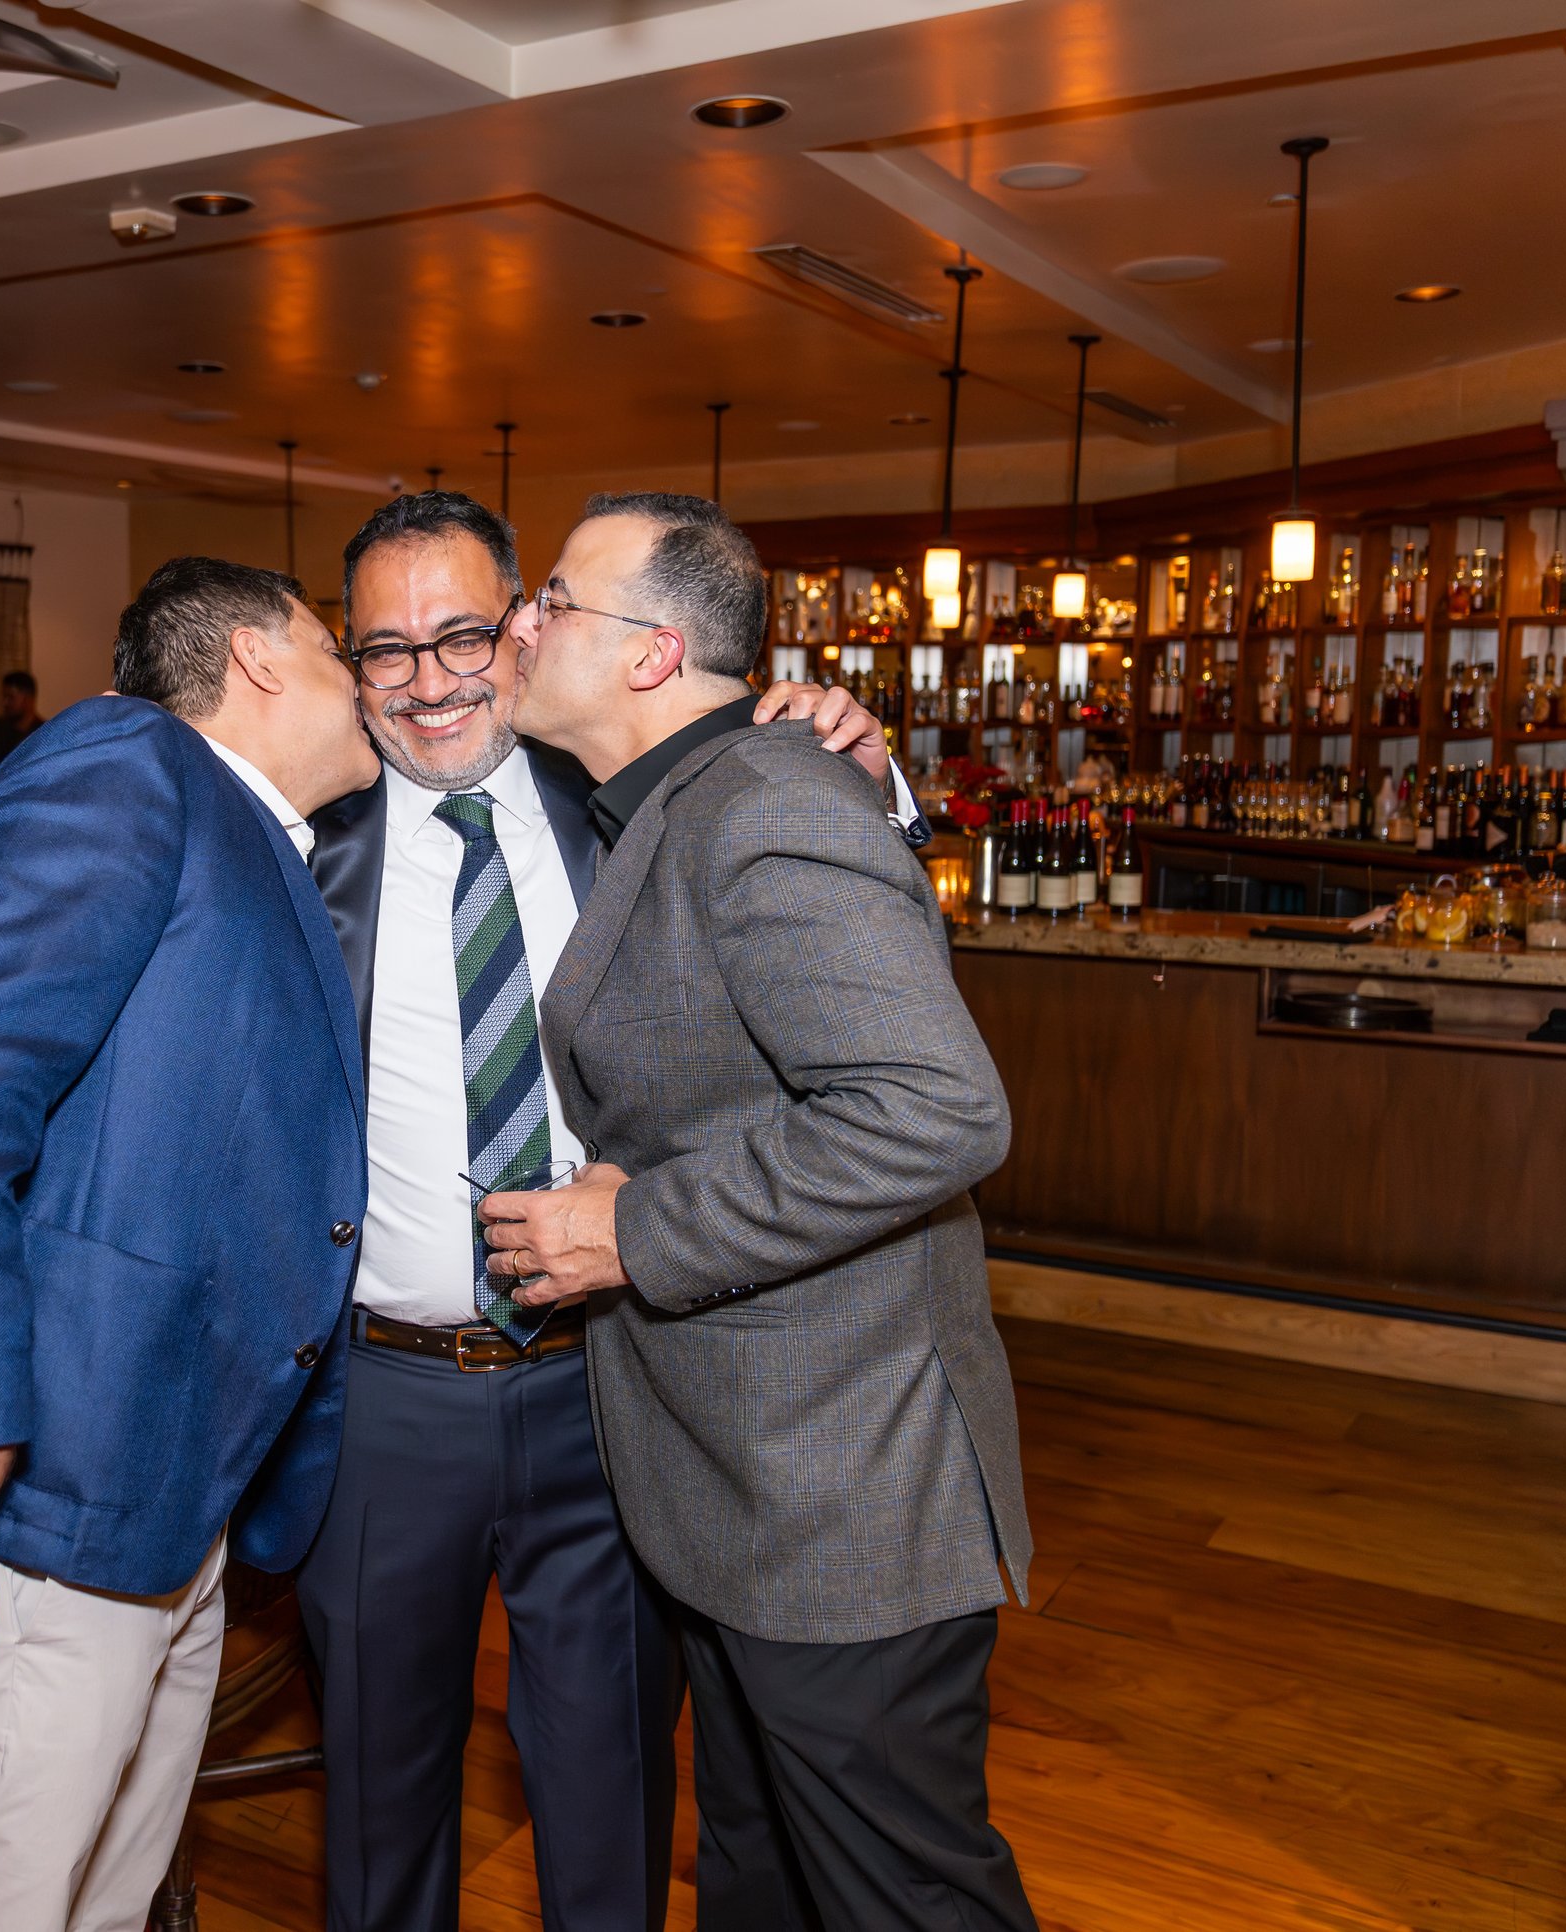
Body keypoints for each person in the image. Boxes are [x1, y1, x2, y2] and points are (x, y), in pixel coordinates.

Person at [303, 490, 895, 1932]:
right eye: (387, 649)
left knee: (611, 1785)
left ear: (529, 625)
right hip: (380, 1403)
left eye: (463, 635)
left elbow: (835, 956)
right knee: (377, 1802)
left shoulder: (642, 798)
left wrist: (867, 773)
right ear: (347, 662)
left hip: (618, 1386)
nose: (431, 680)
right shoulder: (299, 843)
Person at [482, 493, 1039, 1932]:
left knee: (900, 1897)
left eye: (553, 599)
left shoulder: (765, 806)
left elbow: (934, 1109)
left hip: (842, 1490)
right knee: (764, 1878)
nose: (521, 623)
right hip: (747, 1481)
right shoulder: (685, 799)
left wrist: (634, 1230)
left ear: (653, 653)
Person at [0, 556, 380, 1932]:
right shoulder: (128, 764)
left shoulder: (255, 832)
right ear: (257, 656)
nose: (365, 681)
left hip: (167, 1497)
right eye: (338, 649)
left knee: (108, 1902)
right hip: (50, 1490)